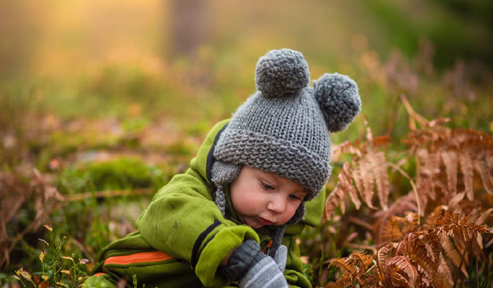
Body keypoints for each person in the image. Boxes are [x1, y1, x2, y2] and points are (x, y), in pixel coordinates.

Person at [84, 48, 361, 288]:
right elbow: (166, 214)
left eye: (294, 197)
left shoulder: (279, 230)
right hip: (124, 277)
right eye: (267, 186)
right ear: (231, 167)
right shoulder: (193, 189)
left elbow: (289, 273)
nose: (278, 206)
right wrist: (239, 257)